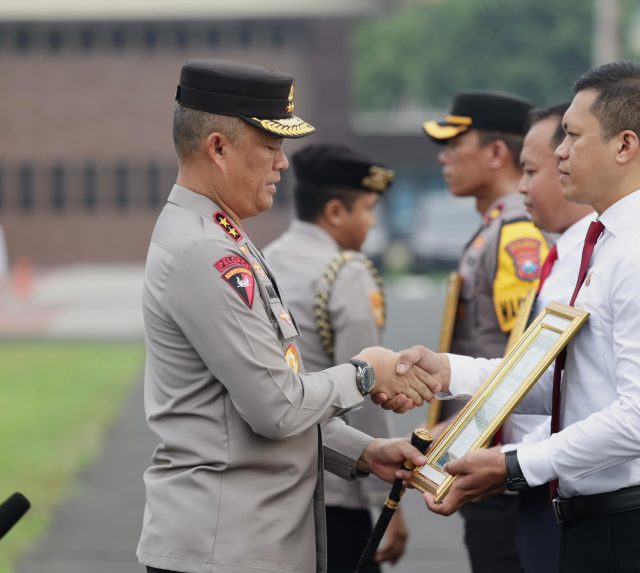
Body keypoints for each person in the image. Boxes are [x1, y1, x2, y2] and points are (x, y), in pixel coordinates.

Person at [397, 61, 640, 572]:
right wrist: (450, 372)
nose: (561, 153)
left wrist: (515, 464)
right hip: (604, 526)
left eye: (571, 136)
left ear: (625, 145)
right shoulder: (613, 245)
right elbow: (575, 381)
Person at [137, 59, 438, 573]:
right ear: (218, 148)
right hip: (224, 550)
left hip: (238, 543)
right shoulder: (205, 251)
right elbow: (276, 408)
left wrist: (365, 453)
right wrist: (366, 373)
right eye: (272, 148)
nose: (282, 165)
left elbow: (255, 403)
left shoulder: (218, 235)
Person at [262, 143, 407, 573]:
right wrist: (387, 503)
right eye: (367, 208)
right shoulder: (347, 272)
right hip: (341, 489)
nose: (372, 220)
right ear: (335, 212)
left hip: (279, 484)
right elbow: (367, 394)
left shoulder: (263, 261)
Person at [422, 90, 549, 573]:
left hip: (502, 461)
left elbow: (519, 355)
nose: (444, 155)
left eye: (456, 142)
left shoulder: (516, 231)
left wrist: (469, 430)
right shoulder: (496, 226)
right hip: (489, 456)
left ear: (497, 153)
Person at [510, 102, 596, 572]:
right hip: (535, 478)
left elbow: (575, 393)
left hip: (556, 482)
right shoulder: (562, 257)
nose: (520, 187)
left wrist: (505, 461)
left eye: (529, 171)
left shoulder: (593, 260)